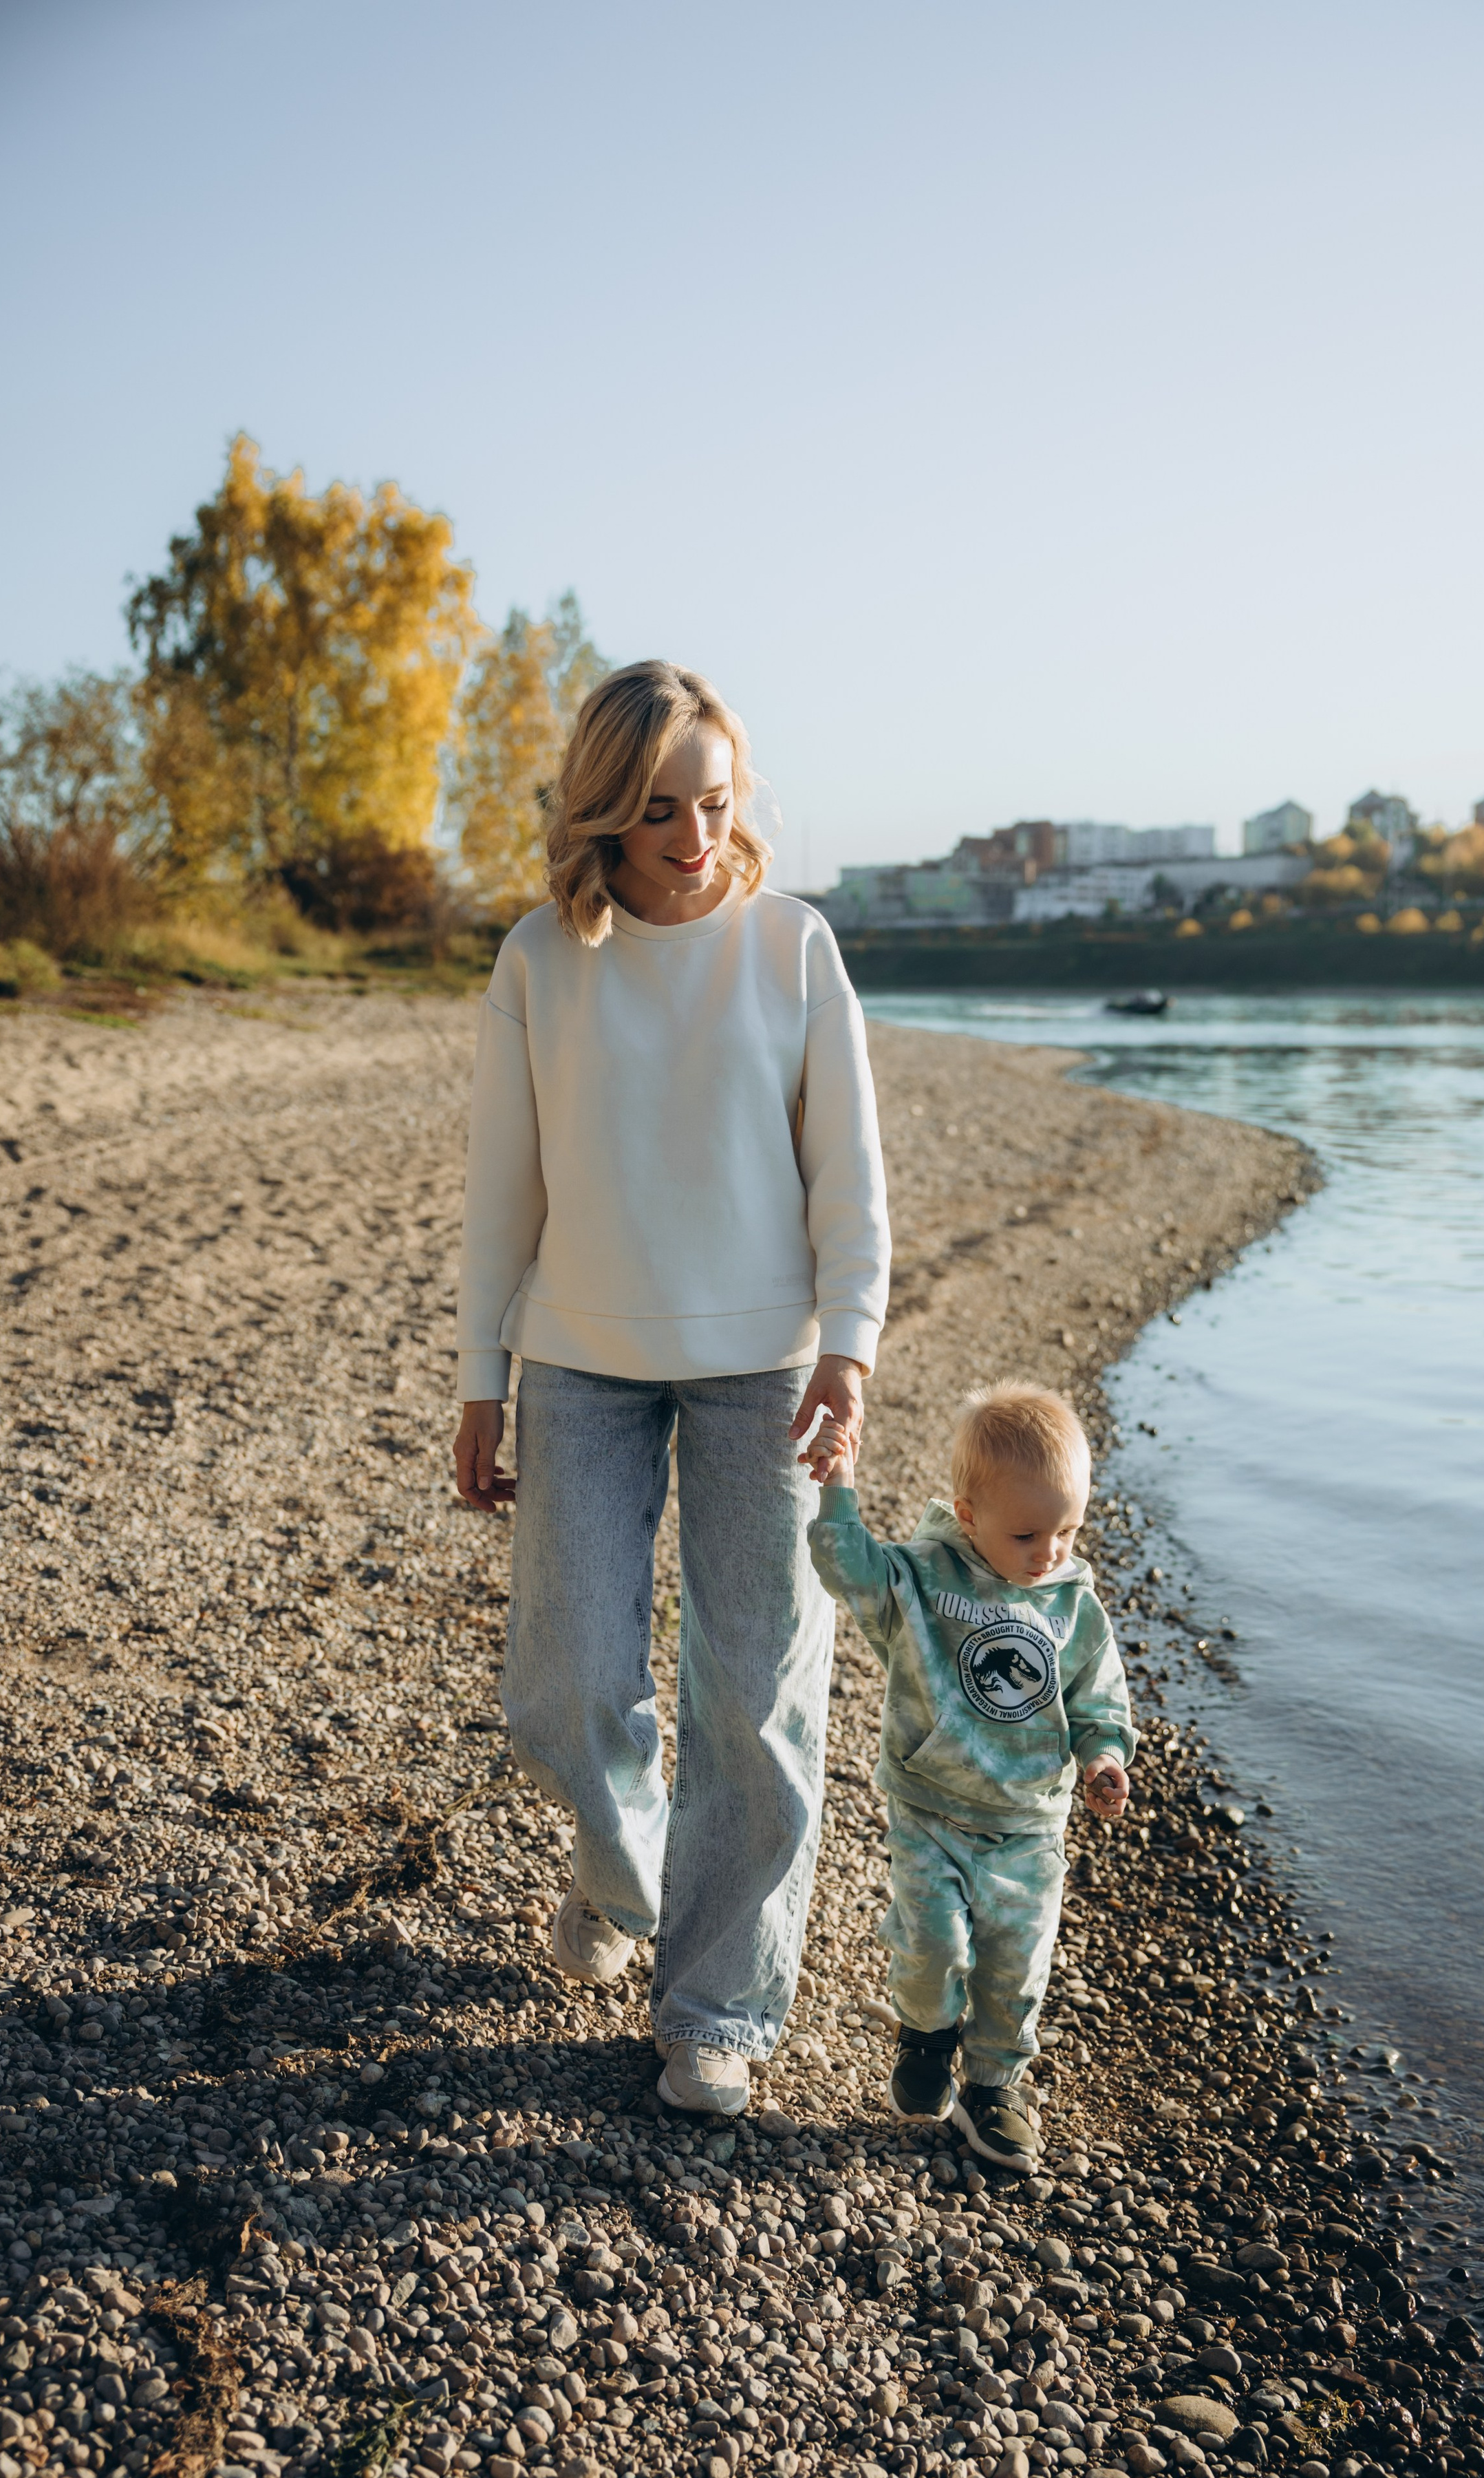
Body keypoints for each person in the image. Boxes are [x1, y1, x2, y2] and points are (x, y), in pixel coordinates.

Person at [451, 660, 889, 2118]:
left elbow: (848, 1169)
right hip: (576, 1359)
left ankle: (716, 2009)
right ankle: (618, 1868)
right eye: (658, 814)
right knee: (565, 1687)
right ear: (601, 820)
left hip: (766, 1369)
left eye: (713, 804)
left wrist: (851, 1340)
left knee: (755, 1700)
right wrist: (478, 1381)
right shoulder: (536, 961)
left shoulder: (792, 950)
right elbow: (500, 1195)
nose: (697, 839)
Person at [807, 1380, 1133, 2170]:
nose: (1050, 1552)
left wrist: (1102, 1758)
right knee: (931, 1945)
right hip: (931, 1809)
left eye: (1067, 1530)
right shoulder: (923, 1581)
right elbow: (847, 1569)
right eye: (1027, 1534)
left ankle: (994, 2087)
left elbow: (1099, 1699)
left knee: (1016, 1966)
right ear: (967, 1515)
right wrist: (840, 1484)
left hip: (1029, 1824)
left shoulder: (1073, 1606)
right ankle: (924, 2034)